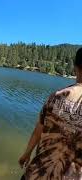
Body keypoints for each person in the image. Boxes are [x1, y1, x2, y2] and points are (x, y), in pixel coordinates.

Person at [19, 48, 82, 179]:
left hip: (37, 173)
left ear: (75, 67)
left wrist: (27, 154)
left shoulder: (57, 96)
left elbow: (38, 130)